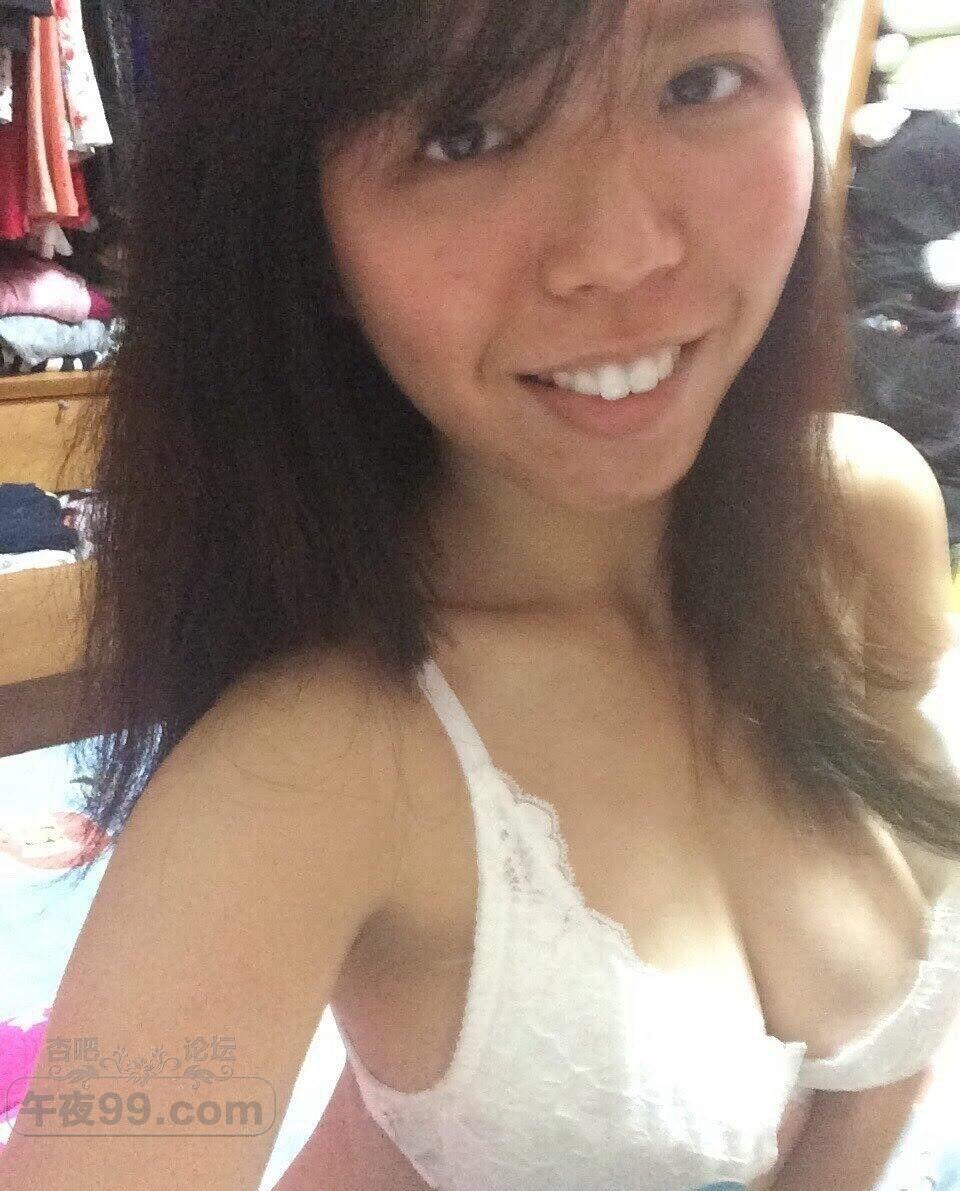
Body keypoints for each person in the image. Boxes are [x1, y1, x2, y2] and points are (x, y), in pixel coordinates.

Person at [3, 0, 960, 1188]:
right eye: (465, 135)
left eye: (699, 84)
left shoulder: (864, 523)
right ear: (309, 241)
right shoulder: (305, 773)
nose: (624, 252)